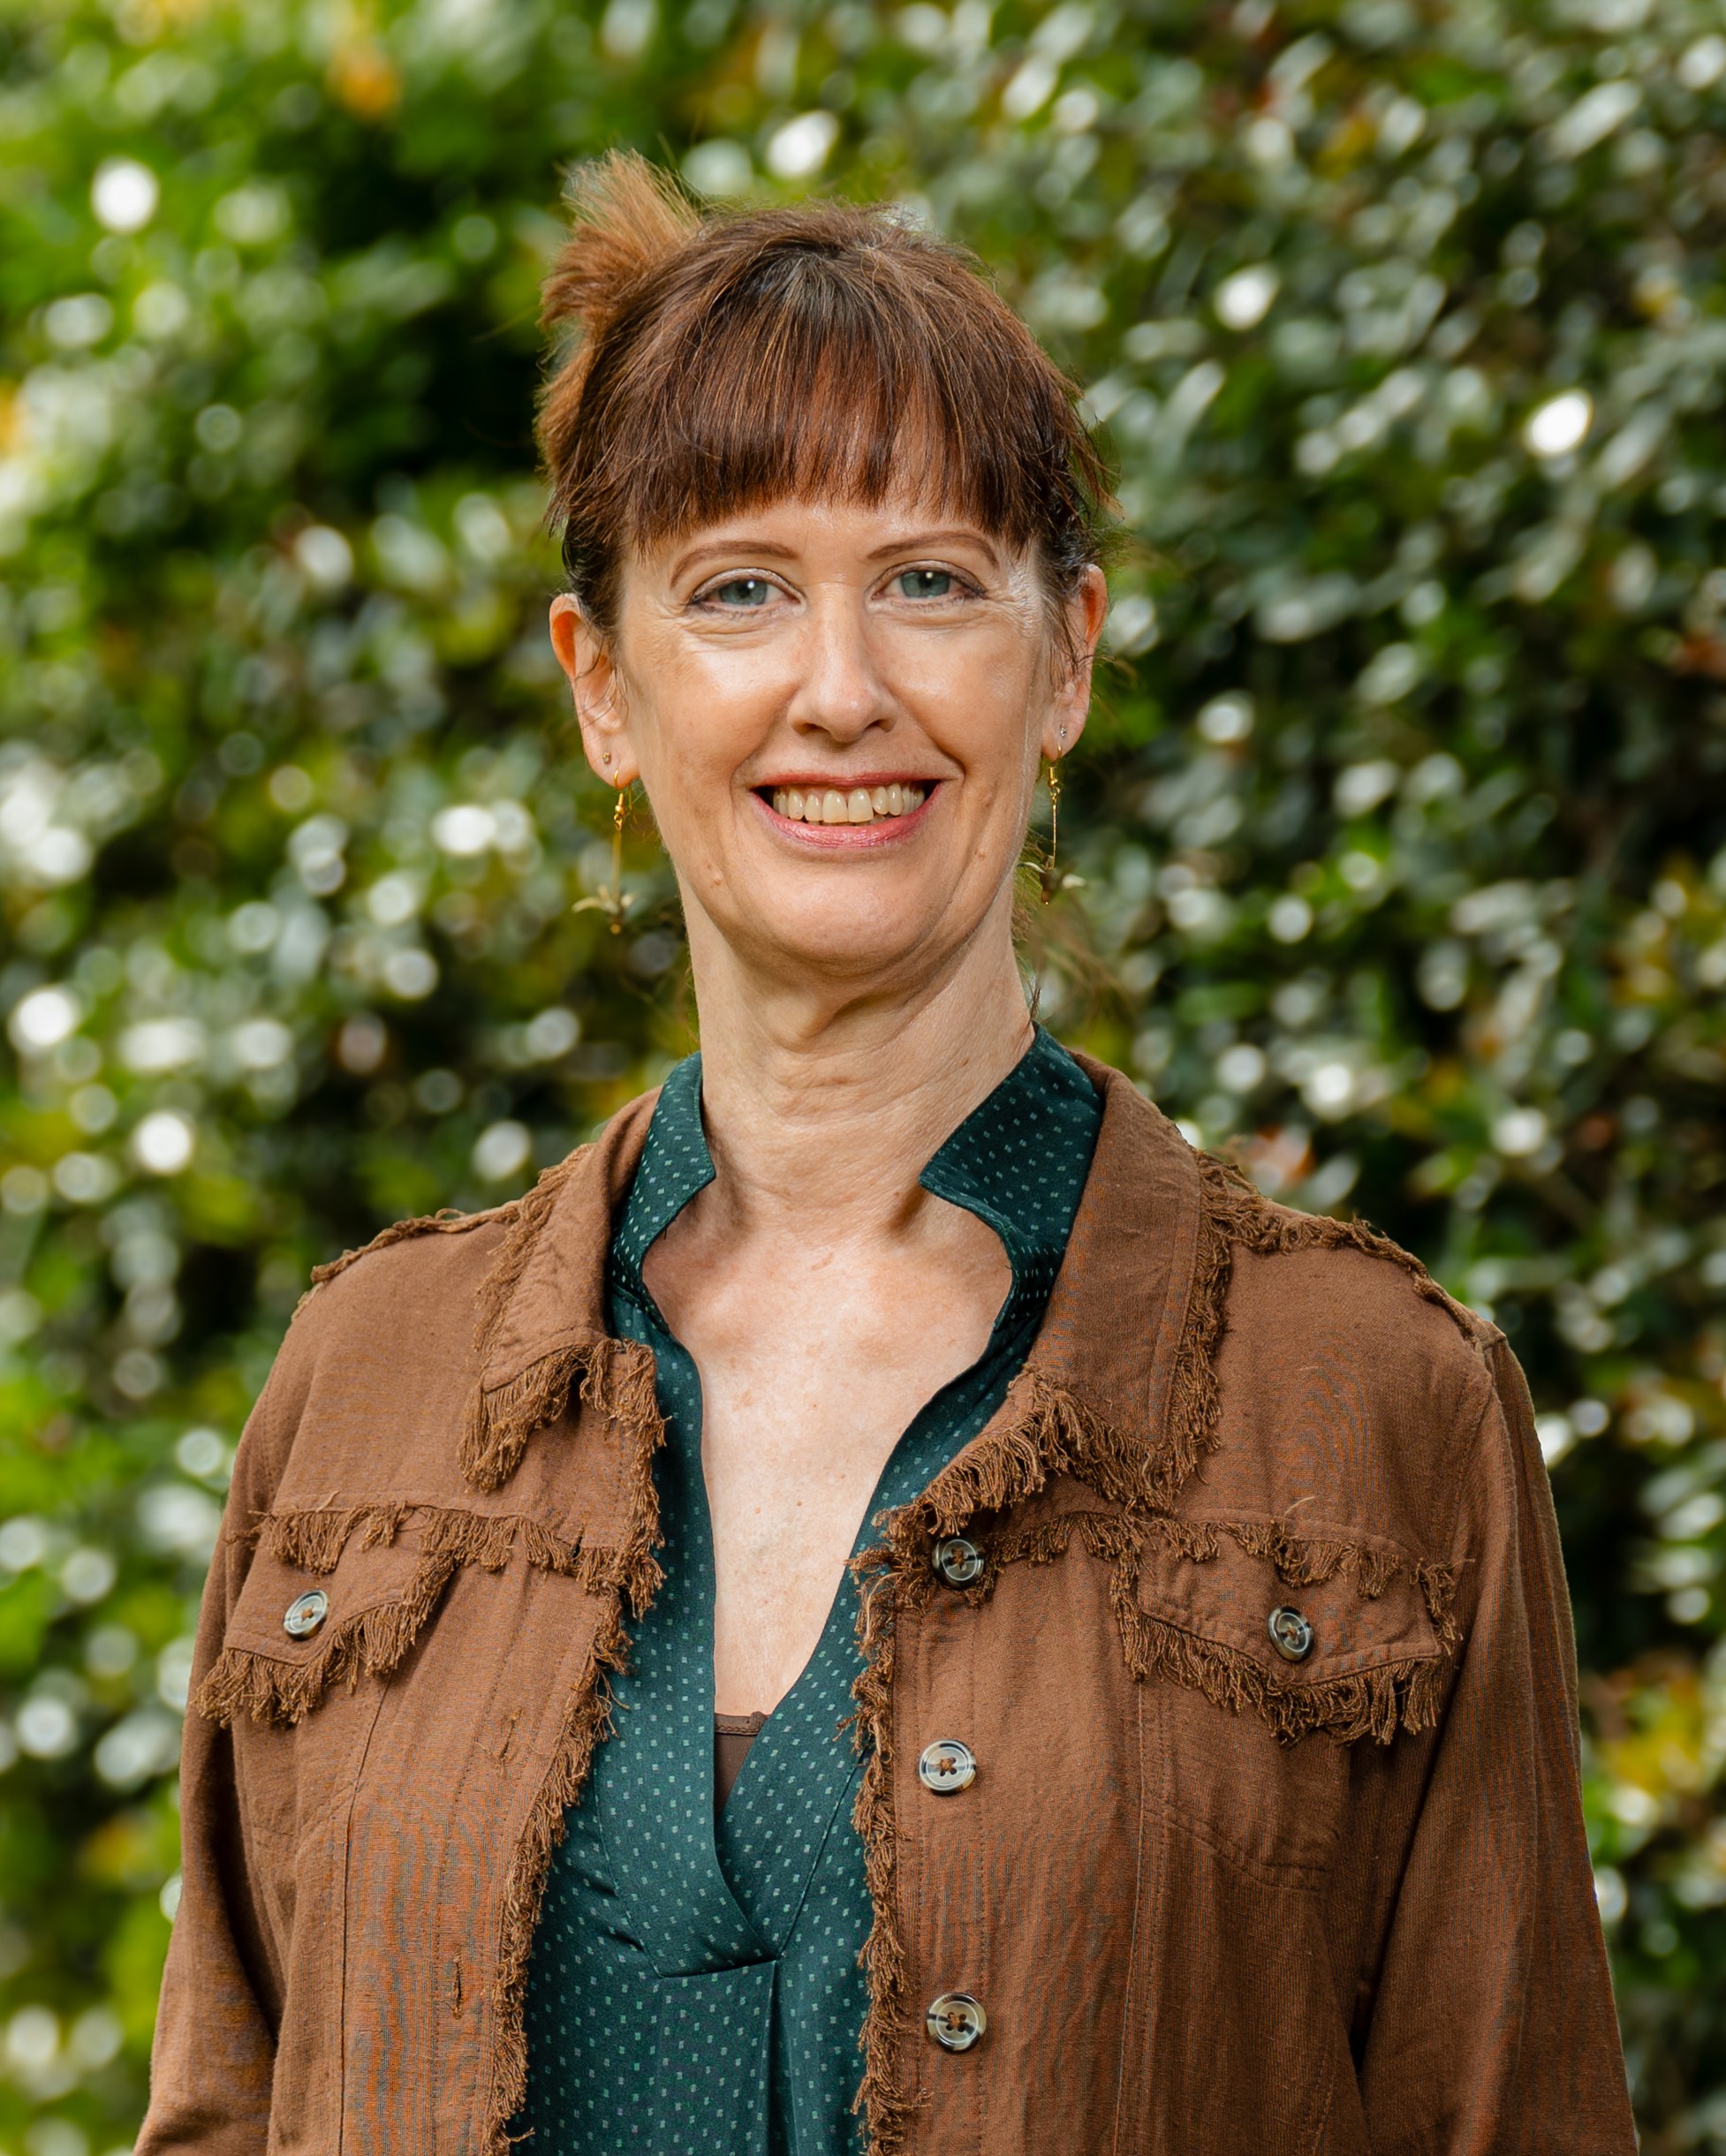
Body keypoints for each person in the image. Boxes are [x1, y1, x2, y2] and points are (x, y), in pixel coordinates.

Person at [140, 155, 1635, 2156]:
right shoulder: (367, 1391)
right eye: (738, 587)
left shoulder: (1368, 1408)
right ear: (602, 686)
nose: (838, 691)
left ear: (1067, 658)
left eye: (928, 581)